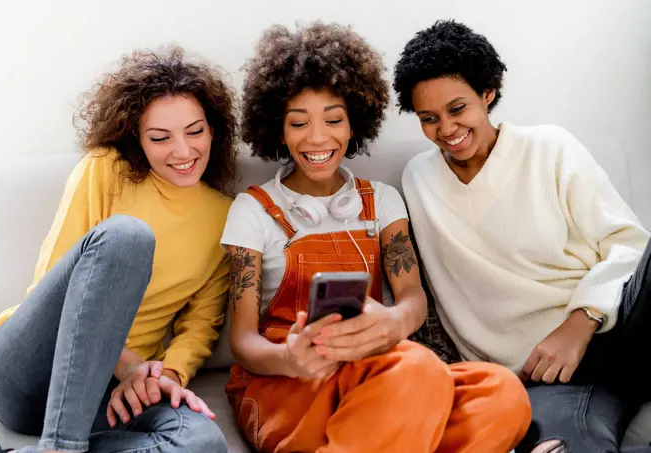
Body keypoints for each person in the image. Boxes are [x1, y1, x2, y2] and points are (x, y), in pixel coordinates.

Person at [220, 21, 531, 453]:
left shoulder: (382, 202)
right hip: (287, 382)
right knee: (418, 371)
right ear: (278, 129)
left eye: (333, 119)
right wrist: (290, 359)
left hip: (379, 368)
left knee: (502, 391)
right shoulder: (251, 210)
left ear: (354, 125)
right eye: (298, 123)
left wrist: (393, 323)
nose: (317, 137)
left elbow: (412, 297)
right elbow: (243, 341)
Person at [394, 19, 651, 453]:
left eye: (458, 109)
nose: (447, 130)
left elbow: (629, 242)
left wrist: (581, 319)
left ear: (487, 94)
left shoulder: (549, 148)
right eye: (429, 119)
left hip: (619, 328)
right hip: (543, 378)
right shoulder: (417, 180)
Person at [0, 46, 237, 453]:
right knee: (129, 237)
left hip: (106, 393)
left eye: (195, 131)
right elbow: (54, 280)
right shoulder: (107, 168)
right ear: (138, 139)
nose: (183, 151)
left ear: (214, 130)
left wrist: (164, 375)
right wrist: (126, 362)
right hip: (24, 371)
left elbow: (200, 327)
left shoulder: (224, 217)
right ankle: (61, 447)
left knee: (202, 442)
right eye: (160, 138)